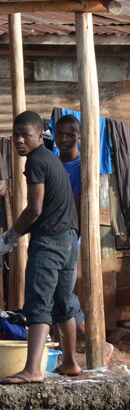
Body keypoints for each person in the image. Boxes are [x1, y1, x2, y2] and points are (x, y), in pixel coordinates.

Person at [0, 111, 80, 383]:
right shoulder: (51, 157)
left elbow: (35, 209)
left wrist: (11, 234)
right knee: (63, 302)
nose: (20, 140)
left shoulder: (36, 160)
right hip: (69, 240)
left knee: (38, 301)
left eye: (26, 135)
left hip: (50, 241)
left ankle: (33, 370)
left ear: (39, 136)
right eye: (16, 135)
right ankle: (70, 362)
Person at [53, 114, 114, 364]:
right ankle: (68, 349)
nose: (65, 139)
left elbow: (78, 207)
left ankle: (97, 342)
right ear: (54, 136)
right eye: (60, 134)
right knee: (58, 293)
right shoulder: (54, 163)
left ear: (79, 137)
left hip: (70, 238)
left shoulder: (81, 167)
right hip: (53, 236)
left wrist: (71, 238)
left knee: (63, 293)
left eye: (70, 135)